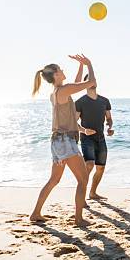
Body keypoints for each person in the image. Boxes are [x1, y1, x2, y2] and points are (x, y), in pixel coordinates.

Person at [29, 54, 96, 227]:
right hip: (66, 141)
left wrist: (81, 65)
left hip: (57, 141)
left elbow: (75, 84)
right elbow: (89, 83)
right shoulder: (64, 90)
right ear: (56, 75)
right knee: (83, 180)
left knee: (54, 180)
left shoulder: (56, 92)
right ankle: (79, 219)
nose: (63, 70)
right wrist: (89, 64)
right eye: (61, 69)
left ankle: (35, 213)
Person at [75, 75, 114, 200]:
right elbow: (73, 122)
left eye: (94, 80)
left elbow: (109, 118)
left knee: (101, 168)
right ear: (85, 83)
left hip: (101, 139)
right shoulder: (80, 102)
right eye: (89, 80)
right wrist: (84, 130)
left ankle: (92, 193)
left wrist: (109, 127)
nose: (92, 82)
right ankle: (81, 194)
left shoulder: (104, 101)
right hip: (87, 139)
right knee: (90, 164)